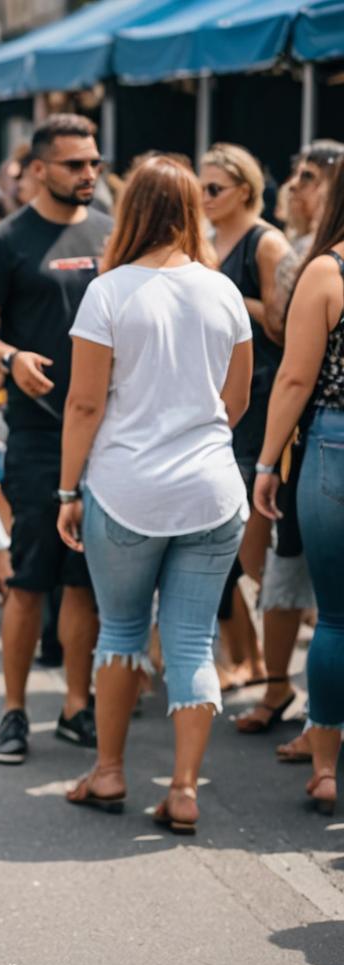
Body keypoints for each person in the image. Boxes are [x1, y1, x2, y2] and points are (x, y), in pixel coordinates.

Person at [56, 154, 252, 834]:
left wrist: (64, 491)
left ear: (131, 208)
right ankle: (185, 788)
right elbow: (239, 397)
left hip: (126, 486)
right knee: (193, 640)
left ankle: (109, 772)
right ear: (194, 209)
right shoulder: (222, 291)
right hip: (213, 489)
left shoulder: (108, 292)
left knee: (122, 629)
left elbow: (83, 405)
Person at [0, 113, 112, 763]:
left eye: (95, 163)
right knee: (28, 578)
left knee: (83, 581)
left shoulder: (112, 230)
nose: (89, 174)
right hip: (39, 435)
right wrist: (10, 357)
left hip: (109, 433)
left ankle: (77, 706)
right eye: (76, 164)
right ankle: (14, 711)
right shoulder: (7, 240)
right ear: (39, 168)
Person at [234, 142, 344, 738]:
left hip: (320, 434)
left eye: (311, 178)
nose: (297, 187)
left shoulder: (321, 264)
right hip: (309, 433)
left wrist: (269, 461)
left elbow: (297, 371)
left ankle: (322, 739)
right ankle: (281, 687)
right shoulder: (306, 256)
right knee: (281, 562)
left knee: (334, 614)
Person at [200, 144, 293, 692]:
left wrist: (229, 296)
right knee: (224, 539)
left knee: (243, 542)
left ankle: (266, 654)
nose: (205, 198)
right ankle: (249, 657)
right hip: (223, 398)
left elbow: (284, 326)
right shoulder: (212, 242)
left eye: (214, 188)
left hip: (260, 401)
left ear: (245, 188)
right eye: (201, 188)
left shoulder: (266, 241)